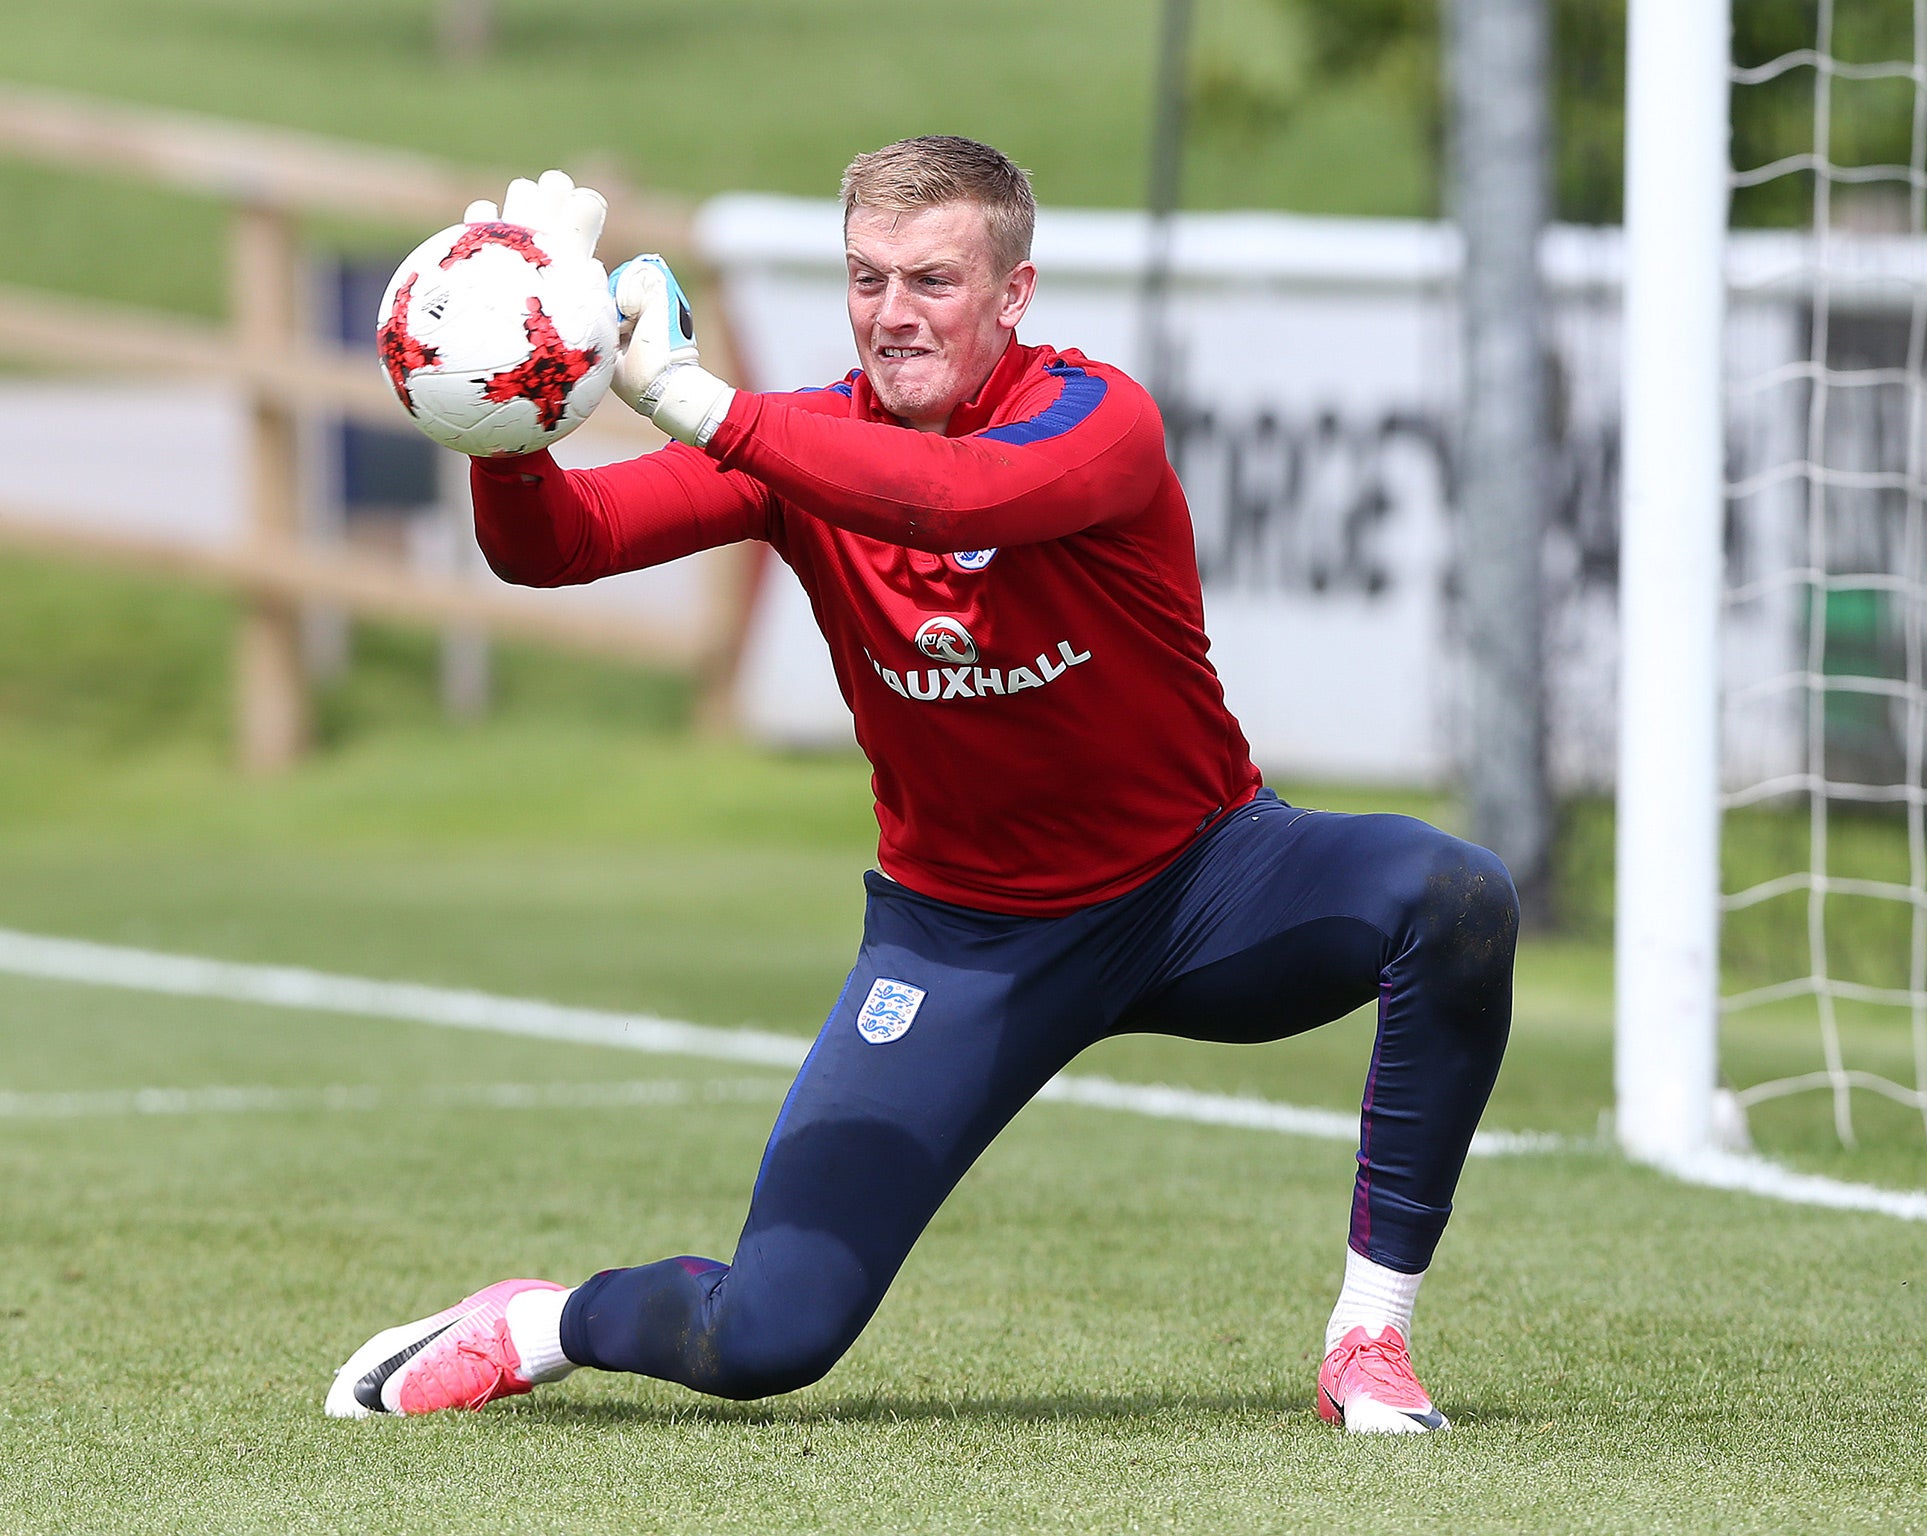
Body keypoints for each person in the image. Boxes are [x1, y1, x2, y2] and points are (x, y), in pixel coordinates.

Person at [327, 140, 1517, 1435]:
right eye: (867, 279)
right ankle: (533, 1322)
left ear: (1014, 295)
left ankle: (1369, 1346)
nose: (894, 313)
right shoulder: (801, 443)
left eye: (934, 280)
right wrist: (511, 414)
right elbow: (557, 550)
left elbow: (954, 501)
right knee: (765, 1337)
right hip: (961, 946)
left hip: (1204, 886)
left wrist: (700, 402)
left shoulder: (1097, 420)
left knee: (1453, 898)